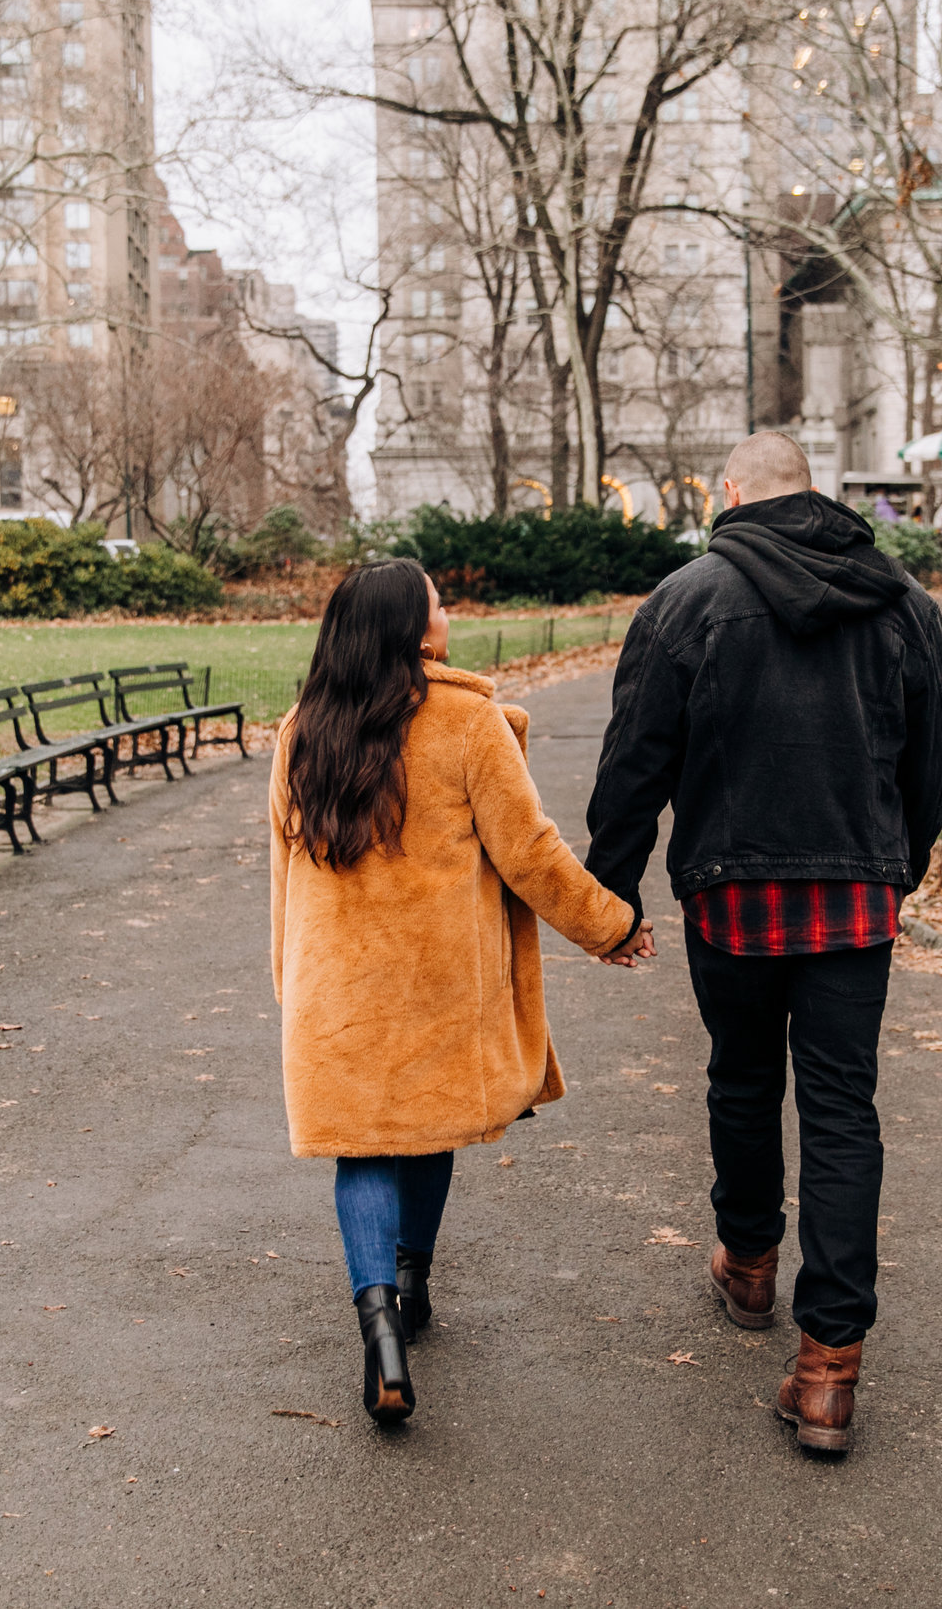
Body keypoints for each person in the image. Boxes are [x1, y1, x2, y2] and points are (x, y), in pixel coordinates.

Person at [586, 431, 942, 1456]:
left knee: (742, 1078)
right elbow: (933, 763)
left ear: (735, 494)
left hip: (731, 887)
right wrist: (901, 861)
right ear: (817, 493)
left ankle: (748, 1262)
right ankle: (828, 1365)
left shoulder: (689, 597)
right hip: (853, 895)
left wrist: (610, 890)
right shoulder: (902, 606)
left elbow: (635, 756)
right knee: (842, 1108)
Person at [269, 558, 652, 1426]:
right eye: (440, 603)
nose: (450, 612)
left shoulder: (302, 730)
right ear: (415, 631)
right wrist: (612, 926)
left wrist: (292, 986)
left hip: (338, 995)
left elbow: (282, 873)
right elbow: (533, 854)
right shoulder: (469, 722)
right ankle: (412, 1282)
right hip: (437, 988)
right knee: (426, 1130)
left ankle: (380, 1330)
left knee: (361, 1150)